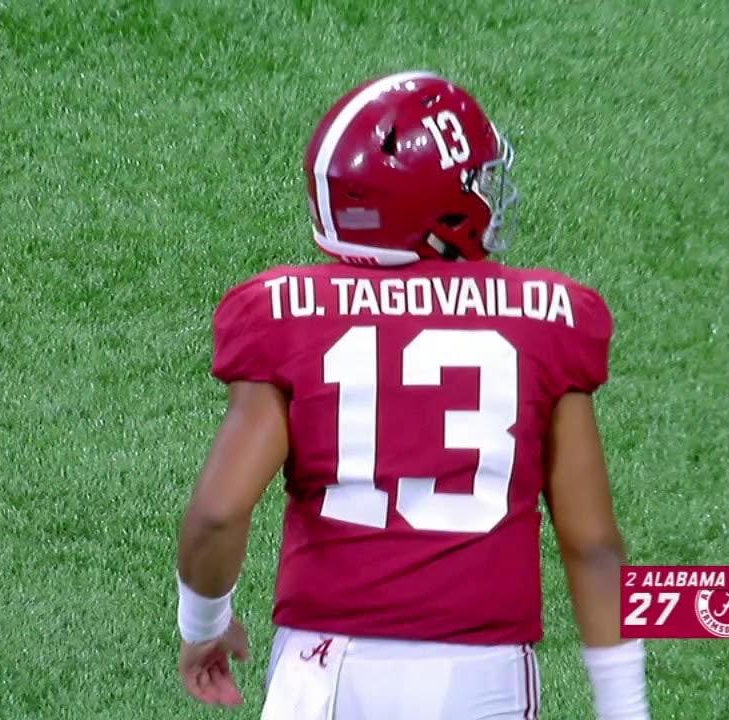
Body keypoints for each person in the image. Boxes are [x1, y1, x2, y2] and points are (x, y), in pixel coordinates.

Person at [175, 70, 650, 720]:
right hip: (475, 675)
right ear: (433, 204)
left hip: (319, 672)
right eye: (473, 180)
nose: (485, 192)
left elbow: (217, 514)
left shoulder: (284, 311)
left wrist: (204, 626)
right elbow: (592, 544)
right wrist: (625, 709)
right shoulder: (548, 316)